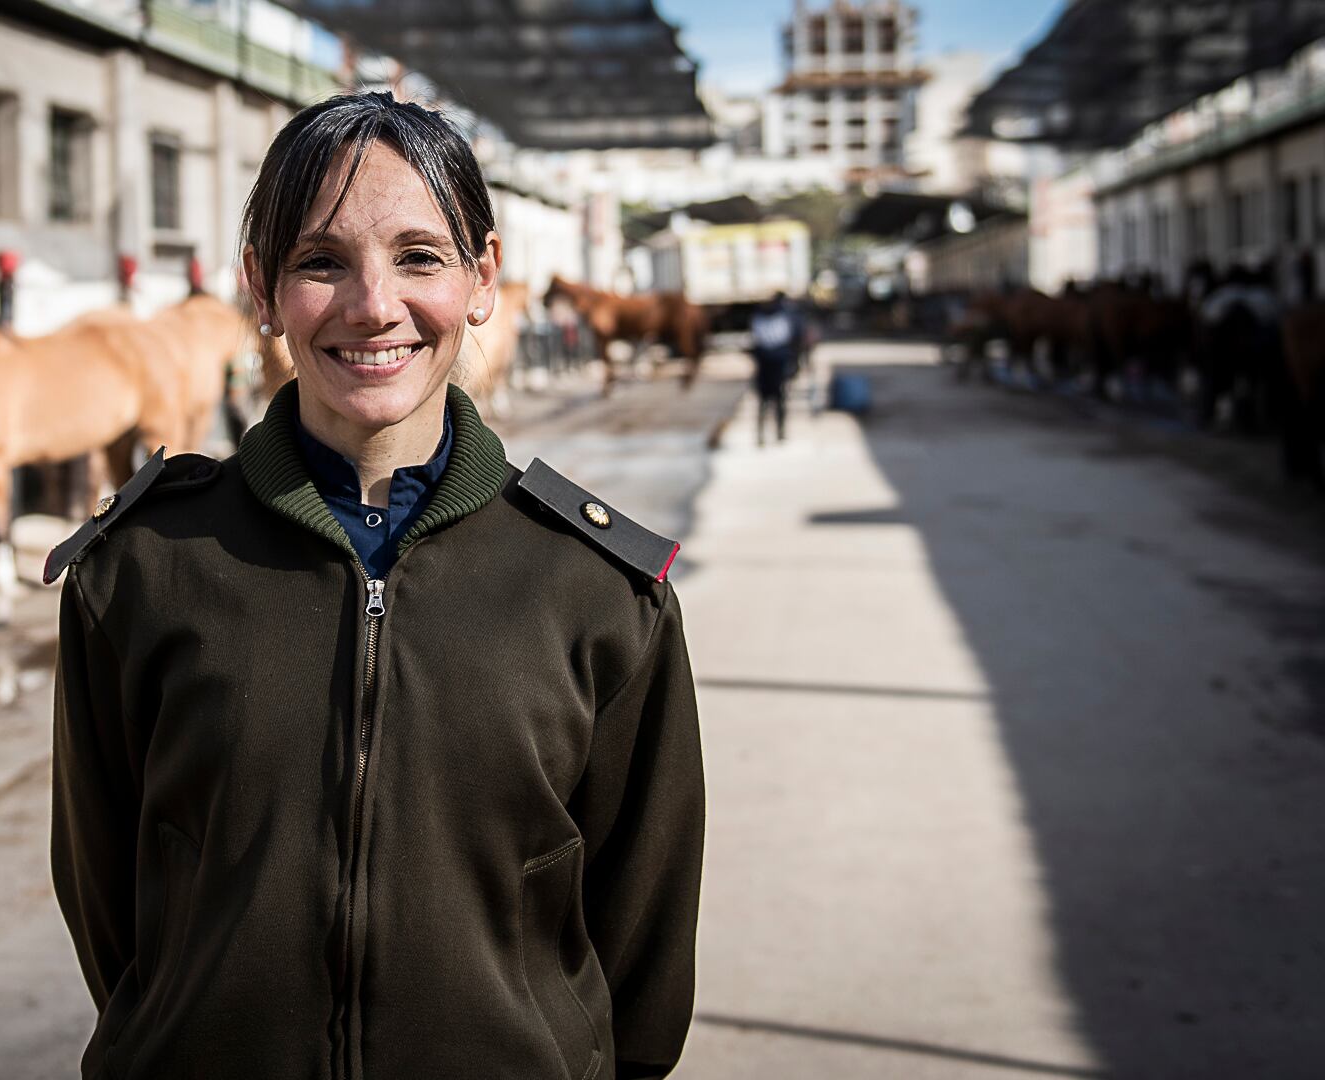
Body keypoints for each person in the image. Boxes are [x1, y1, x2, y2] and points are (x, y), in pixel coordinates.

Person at [47, 92, 704, 1080]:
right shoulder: (142, 571)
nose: (373, 306)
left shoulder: (599, 592)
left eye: (419, 256)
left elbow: (641, 954)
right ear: (261, 290)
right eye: (320, 262)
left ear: (482, 278)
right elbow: (113, 915)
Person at [749, 290, 803, 445]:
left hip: (772, 364)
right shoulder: (780, 317)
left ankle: (774, 433)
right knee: (773, 400)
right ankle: (769, 434)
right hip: (774, 364)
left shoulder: (761, 318)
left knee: (770, 400)